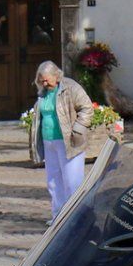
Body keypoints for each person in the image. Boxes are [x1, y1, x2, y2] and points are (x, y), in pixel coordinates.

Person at [27, 61, 98, 216]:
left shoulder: (70, 87)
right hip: (49, 141)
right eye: (41, 81)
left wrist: (78, 128)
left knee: (72, 182)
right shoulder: (43, 92)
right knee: (53, 181)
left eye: (47, 80)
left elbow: (87, 108)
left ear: (56, 75)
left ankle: (74, 216)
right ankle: (57, 216)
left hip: (69, 141)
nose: (44, 84)